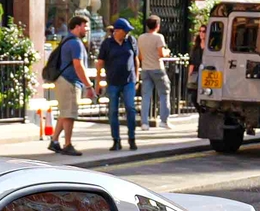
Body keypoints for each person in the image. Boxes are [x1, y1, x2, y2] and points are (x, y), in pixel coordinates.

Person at [43, 14, 95, 153]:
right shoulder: (75, 43)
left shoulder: (67, 40)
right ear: (77, 27)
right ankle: (67, 145)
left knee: (64, 113)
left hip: (63, 80)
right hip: (69, 81)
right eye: (85, 26)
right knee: (69, 114)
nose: (87, 30)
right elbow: (78, 66)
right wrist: (89, 86)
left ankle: (54, 141)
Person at [100, 17, 141, 150]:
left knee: (130, 108)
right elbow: (100, 63)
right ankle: (116, 140)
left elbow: (136, 60)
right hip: (112, 82)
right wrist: (97, 82)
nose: (127, 33)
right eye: (125, 30)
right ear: (117, 31)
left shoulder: (130, 41)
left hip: (129, 81)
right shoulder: (107, 44)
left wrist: (136, 79)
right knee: (113, 111)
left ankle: (132, 138)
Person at [138, 14, 171, 127]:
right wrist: (167, 52)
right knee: (164, 93)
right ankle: (164, 120)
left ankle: (144, 123)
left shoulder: (141, 37)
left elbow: (140, 56)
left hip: (146, 68)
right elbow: (161, 54)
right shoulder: (159, 37)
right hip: (157, 68)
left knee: (146, 96)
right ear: (157, 25)